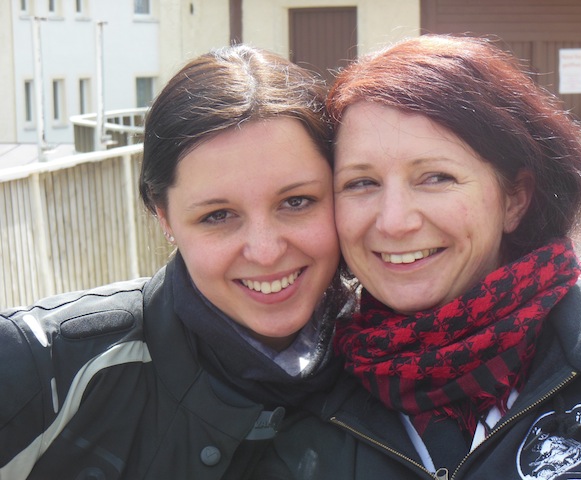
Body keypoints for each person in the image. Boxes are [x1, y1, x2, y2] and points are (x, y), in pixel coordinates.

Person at [267, 35, 581, 479]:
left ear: (515, 199)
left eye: (436, 177)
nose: (394, 222)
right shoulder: (302, 404)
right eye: (361, 183)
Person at [0, 44, 347, 479]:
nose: (265, 251)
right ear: (163, 215)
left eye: (297, 201)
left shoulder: (401, 370)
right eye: (218, 215)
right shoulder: (41, 366)